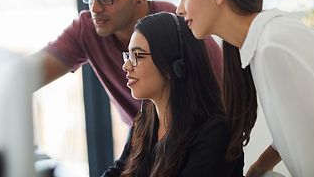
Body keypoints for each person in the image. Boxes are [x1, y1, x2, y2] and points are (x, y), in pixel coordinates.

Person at [176, 0, 314, 177]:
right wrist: (260, 167)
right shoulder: (264, 42)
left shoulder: (273, 47)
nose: (179, 9)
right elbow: (297, 127)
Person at [30, 0, 223, 127]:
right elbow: (28, 75)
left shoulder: (178, 26)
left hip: (194, 139)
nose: (95, 8)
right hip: (142, 142)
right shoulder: (87, 28)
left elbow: (225, 93)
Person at [101, 12, 244, 177]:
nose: (126, 66)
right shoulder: (146, 119)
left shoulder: (215, 132)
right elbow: (118, 171)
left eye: (137, 56)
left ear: (173, 66)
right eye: (128, 55)